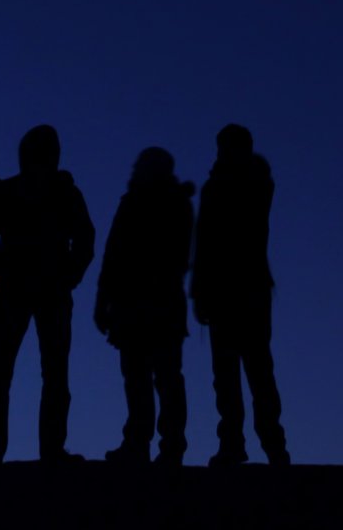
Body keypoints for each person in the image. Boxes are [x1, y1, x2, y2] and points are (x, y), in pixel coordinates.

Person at [0, 124, 95, 464]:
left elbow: (85, 238)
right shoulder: (33, 191)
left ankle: (21, 451)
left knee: (34, 372)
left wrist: (69, 275)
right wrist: (0, 267)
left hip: (42, 289)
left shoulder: (56, 192)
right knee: (21, 372)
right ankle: (4, 451)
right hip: (31, 289)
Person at [192, 124, 289, 466]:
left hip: (243, 290)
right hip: (230, 291)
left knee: (253, 370)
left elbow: (208, 240)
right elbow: (203, 243)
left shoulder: (246, 184)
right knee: (232, 373)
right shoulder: (223, 186)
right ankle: (239, 444)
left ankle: (267, 444)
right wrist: (199, 291)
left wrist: (199, 290)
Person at [93, 146, 195, 465]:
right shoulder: (136, 202)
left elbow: (178, 256)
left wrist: (109, 297)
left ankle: (169, 444)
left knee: (163, 376)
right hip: (134, 304)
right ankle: (141, 443)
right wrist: (104, 299)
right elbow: (112, 255)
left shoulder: (174, 203)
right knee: (140, 376)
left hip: (155, 302)